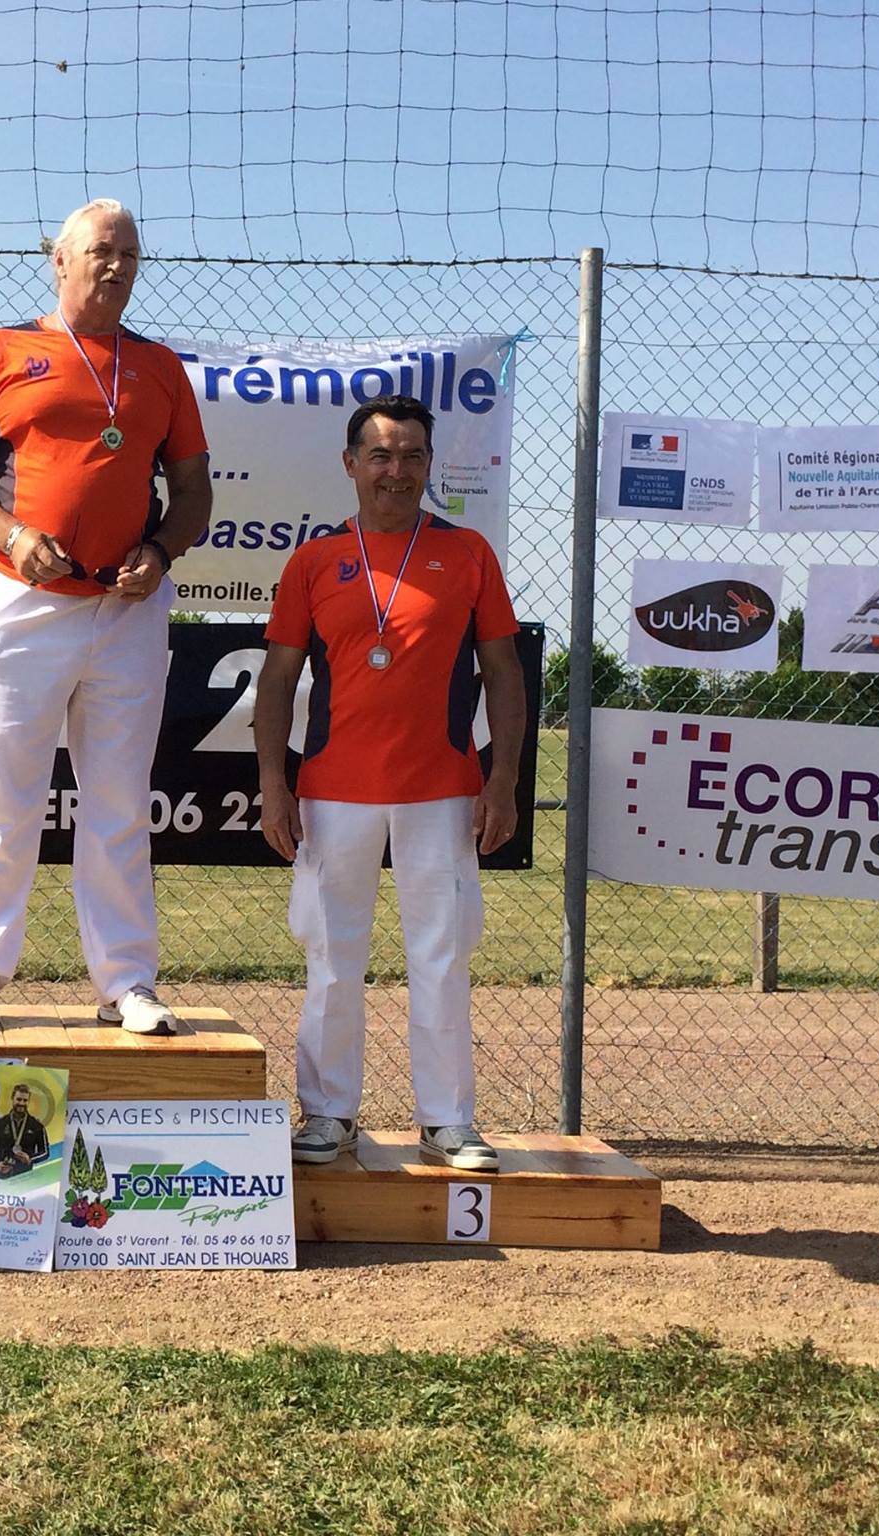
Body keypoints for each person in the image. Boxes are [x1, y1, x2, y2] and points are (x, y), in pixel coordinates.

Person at [0, 197, 214, 1036]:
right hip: (22, 602)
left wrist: (160, 551)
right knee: (3, 796)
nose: (118, 266)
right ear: (60, 260)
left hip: (127, 612)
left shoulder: (161, 368)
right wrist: (14, 534)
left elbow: (194, 492)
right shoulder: (0, 351)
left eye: (131, 254)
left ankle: (126, 982)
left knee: (120, 803)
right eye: (101, 251)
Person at [253, 395, 526, 1173]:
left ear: (429, 465)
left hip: (441, 790)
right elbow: (278, 679)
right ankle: (327, 1113)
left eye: (411, 456)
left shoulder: (467, 553)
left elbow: (504, 673)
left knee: (441, 957)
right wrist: (274, 784)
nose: (395, 471)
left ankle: (447, 1122)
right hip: (333, 792)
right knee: (332, 958)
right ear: (351, 464)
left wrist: (503, 779)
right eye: (380, 455)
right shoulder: (314, 562)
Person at [0, 1082, 50, 1178]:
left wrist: (30, 1159)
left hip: (24, 1177)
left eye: (25, 1100)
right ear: (12, 1099)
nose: (21, 1103)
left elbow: (45, 1153)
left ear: (28, 1101)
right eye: (18, 1099)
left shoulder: (37, 1126)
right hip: (1, 1176)